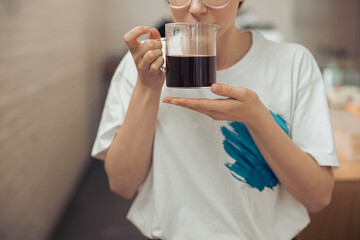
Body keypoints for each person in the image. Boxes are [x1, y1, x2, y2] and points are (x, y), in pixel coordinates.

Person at [91, 0, 339, 239]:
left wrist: (258, 120)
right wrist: (147, 87)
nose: (196, 8)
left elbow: (317, 197)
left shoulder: (293, 63)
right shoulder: (144, 64)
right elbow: (121, 184)